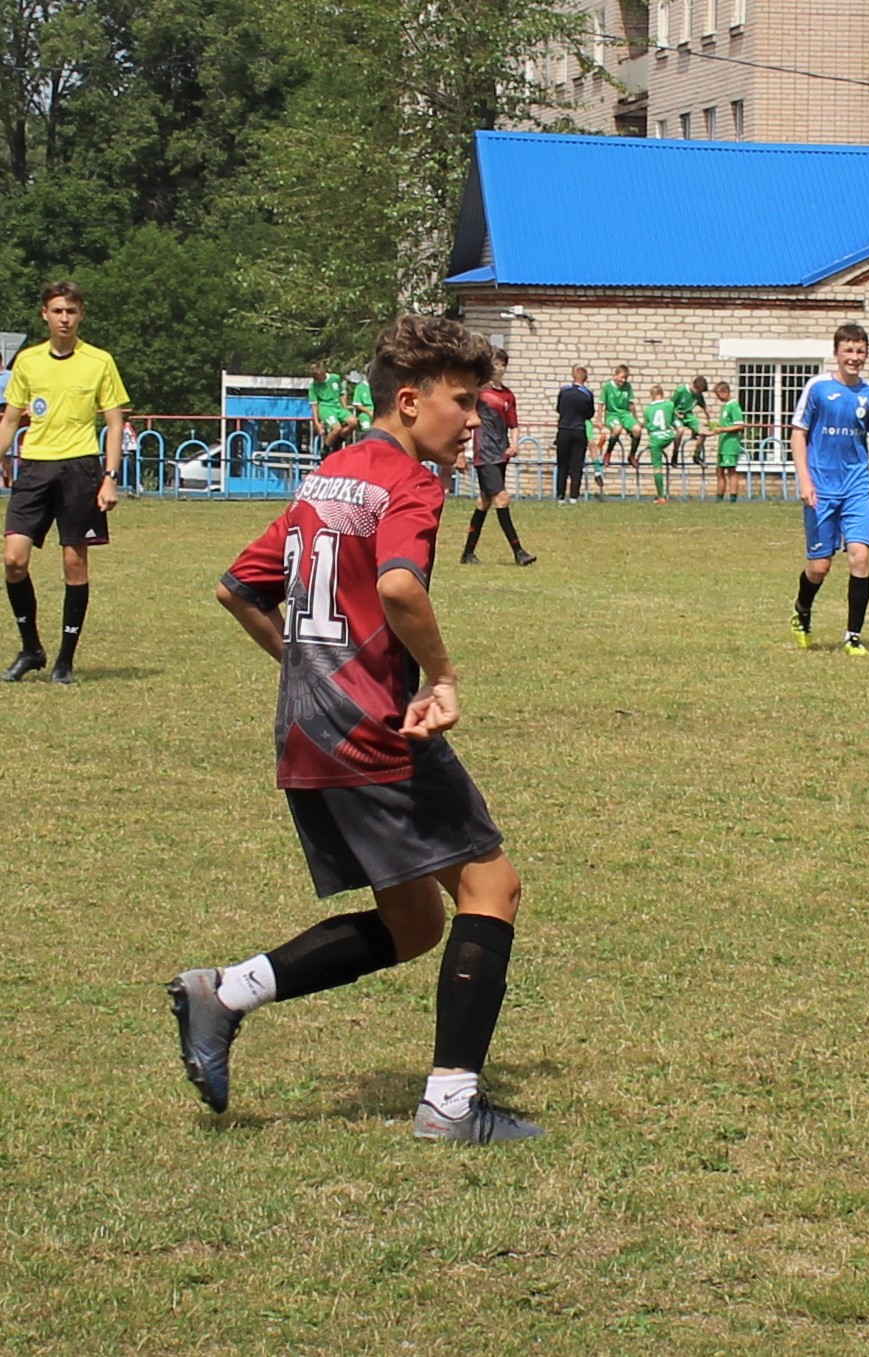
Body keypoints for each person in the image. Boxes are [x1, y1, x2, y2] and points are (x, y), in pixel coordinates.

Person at [169, 313, 541, 1143]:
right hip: (376, 731)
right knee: (494, 888)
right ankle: (451, 1106)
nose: (476, 418)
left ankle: (224, 992)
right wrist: (441, 677)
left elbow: (238, 588)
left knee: (413, 923)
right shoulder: (412, 483)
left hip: (307, 730)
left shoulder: (327, 476)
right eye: (463, 401)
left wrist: (307, 674)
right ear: (410, 401)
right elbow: (403, 586)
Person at [0, 280, 129, 685]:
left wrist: (109, 478)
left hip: (80, 469)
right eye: (57, 311)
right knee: (13, 559)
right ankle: (31, 649)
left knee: (74, 563)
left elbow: (113, 422)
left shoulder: (99, 361)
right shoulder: (28, 361)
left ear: (80, 315)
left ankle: (64, 662)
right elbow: (10, 418)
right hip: (35, 468)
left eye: (71, 311)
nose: (64, 318)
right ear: (45, 314)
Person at [789, 323, 869, 655]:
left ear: (867, 354)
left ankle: (852, 636)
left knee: (860, 557)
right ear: (837, 353)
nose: (854, 358)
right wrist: (805, 479)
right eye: (848, 351)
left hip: (856, 487)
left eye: (860, 351)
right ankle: (802, 611)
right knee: (820, 567)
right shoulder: (818, 388)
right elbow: (798, 433)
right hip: (821, 489)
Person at [456, 349, 536, 567]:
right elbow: (464, 420)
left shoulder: (508, 395)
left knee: (484, 501)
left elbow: (514, 424)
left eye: (502, 364)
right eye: (495, 364)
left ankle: (468, 552)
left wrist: (514, 444)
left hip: (500, 453)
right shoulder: (480, 394)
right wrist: (460, 453)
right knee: (502, 498)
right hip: (485, 453)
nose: (499, 368)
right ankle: (519, 551)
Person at [555, 365, 595, 504]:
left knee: (562, 464)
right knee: (577, 465)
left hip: (564, 429)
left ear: (573, 375)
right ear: (586, 378)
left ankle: (560, 496)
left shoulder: (564, 391)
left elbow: (559, 409)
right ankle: (574, 497)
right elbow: (589, 414)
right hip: (579, 430)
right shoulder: (587, 394)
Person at [641, 385, 680, 503]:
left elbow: (648, 428)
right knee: (680, 431)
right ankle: (675, 453)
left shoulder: (647, 409)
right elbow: (673, 420)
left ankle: (661, 496)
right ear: (662, 394)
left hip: (656, 438)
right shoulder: (670, 405)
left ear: (652, 396)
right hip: (669, 435)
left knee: (657, 468)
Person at [597, 365, 639, 474]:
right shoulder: (607, 387)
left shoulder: (628, 387)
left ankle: (632, 455)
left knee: (637, 430)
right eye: (621, 377)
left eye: (625, 378)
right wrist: (599, 419)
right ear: (615, 376)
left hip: (625, 414)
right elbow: (601, 404)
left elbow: (631, 404)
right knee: (617, 429)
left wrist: (636, 419)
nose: (623, 380)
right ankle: (608, 453)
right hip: (612, 415)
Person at [710, 379, 746, 502]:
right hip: (723, 444)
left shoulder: (734, 405)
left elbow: (740, 425)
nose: (718, 398)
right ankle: (719, 498)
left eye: (718, 395)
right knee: (719, 471)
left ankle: (732, 499)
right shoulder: (725, 406)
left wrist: (722, 430)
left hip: (731, 444)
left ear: (725, 392)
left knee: (731, 471)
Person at [309, 361, 351, 452]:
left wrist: (346, 409)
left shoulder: (335, 378)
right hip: (326, 408)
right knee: (337, 428)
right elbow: (314, 405)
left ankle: (338, 440)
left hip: (338, 407)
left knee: (353, 422)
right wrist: (317, 423)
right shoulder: (313, 386)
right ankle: (325, 448)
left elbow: (341, 395)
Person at [674, 374, 710, 469]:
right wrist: (676, 413)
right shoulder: (681, 390)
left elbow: (704, 406)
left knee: (703, 431)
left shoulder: (698, 395)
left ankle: (696, 455)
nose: (698, 393)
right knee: (680, 431)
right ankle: (675, 455)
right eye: (698, 391)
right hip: (677, 416)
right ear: (694, 386)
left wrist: (709, 418)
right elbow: (671, 405)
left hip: (688, 415)